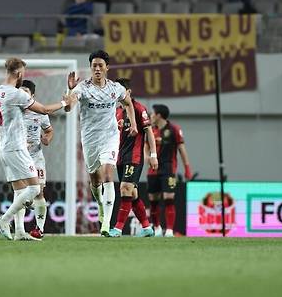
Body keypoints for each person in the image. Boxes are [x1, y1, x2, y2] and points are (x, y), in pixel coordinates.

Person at [0, 58, 74, 240]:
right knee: (35, 188)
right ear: (18, 73)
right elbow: (44, 109)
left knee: (20, 191)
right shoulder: (17, 94)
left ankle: (20, 231)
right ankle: (5, 220)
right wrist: (64, 103)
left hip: (5, 147)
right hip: (17, 148)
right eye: (24, 73)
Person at [65, 50, 138, 236]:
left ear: (107, 67)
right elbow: (68, 107)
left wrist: (133, 124)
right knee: (95, 179)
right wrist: (70, 91)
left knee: (107, 173)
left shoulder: (115, 88)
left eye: (100, 65)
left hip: (110, 137)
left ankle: (106, 224)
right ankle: (100, 204)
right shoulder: (82, 88)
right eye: (94, 65)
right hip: (90, 139)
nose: (97, 68)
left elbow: (128, 103)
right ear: (90, 68)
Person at [108, 78, 158, 238]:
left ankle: (118, 228)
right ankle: (146, 227)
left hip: (134, 157)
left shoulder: (138, 108)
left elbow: (149, 132)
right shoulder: (116, 112)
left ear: (128, 92)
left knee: (124, 188)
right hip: (120, 158)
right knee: (133, 194)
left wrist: (153, 155)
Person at [147, 104, 192, 237]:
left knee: (169, 198)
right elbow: (145, 148)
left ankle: (170, 230)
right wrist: (147, 158)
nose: (151, 116)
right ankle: (157, 228)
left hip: (169, 169)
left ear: (159, 115)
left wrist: (187, 168)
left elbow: (182, 149)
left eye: (153, 114)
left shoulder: (174, 129)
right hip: (153, 170)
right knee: (153, 200)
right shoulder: (150, 130)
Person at [17, 79, 54, 240]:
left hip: (36, 157)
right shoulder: (12, 111)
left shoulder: (40, 112)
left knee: (39, 192)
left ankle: (39, 229)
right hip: (18, 158)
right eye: (20, 92)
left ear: (32, 95)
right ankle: (19, 228)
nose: (23, 95)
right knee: (21, 193)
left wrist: (47, 138)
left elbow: (49, 130)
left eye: (26, 92)